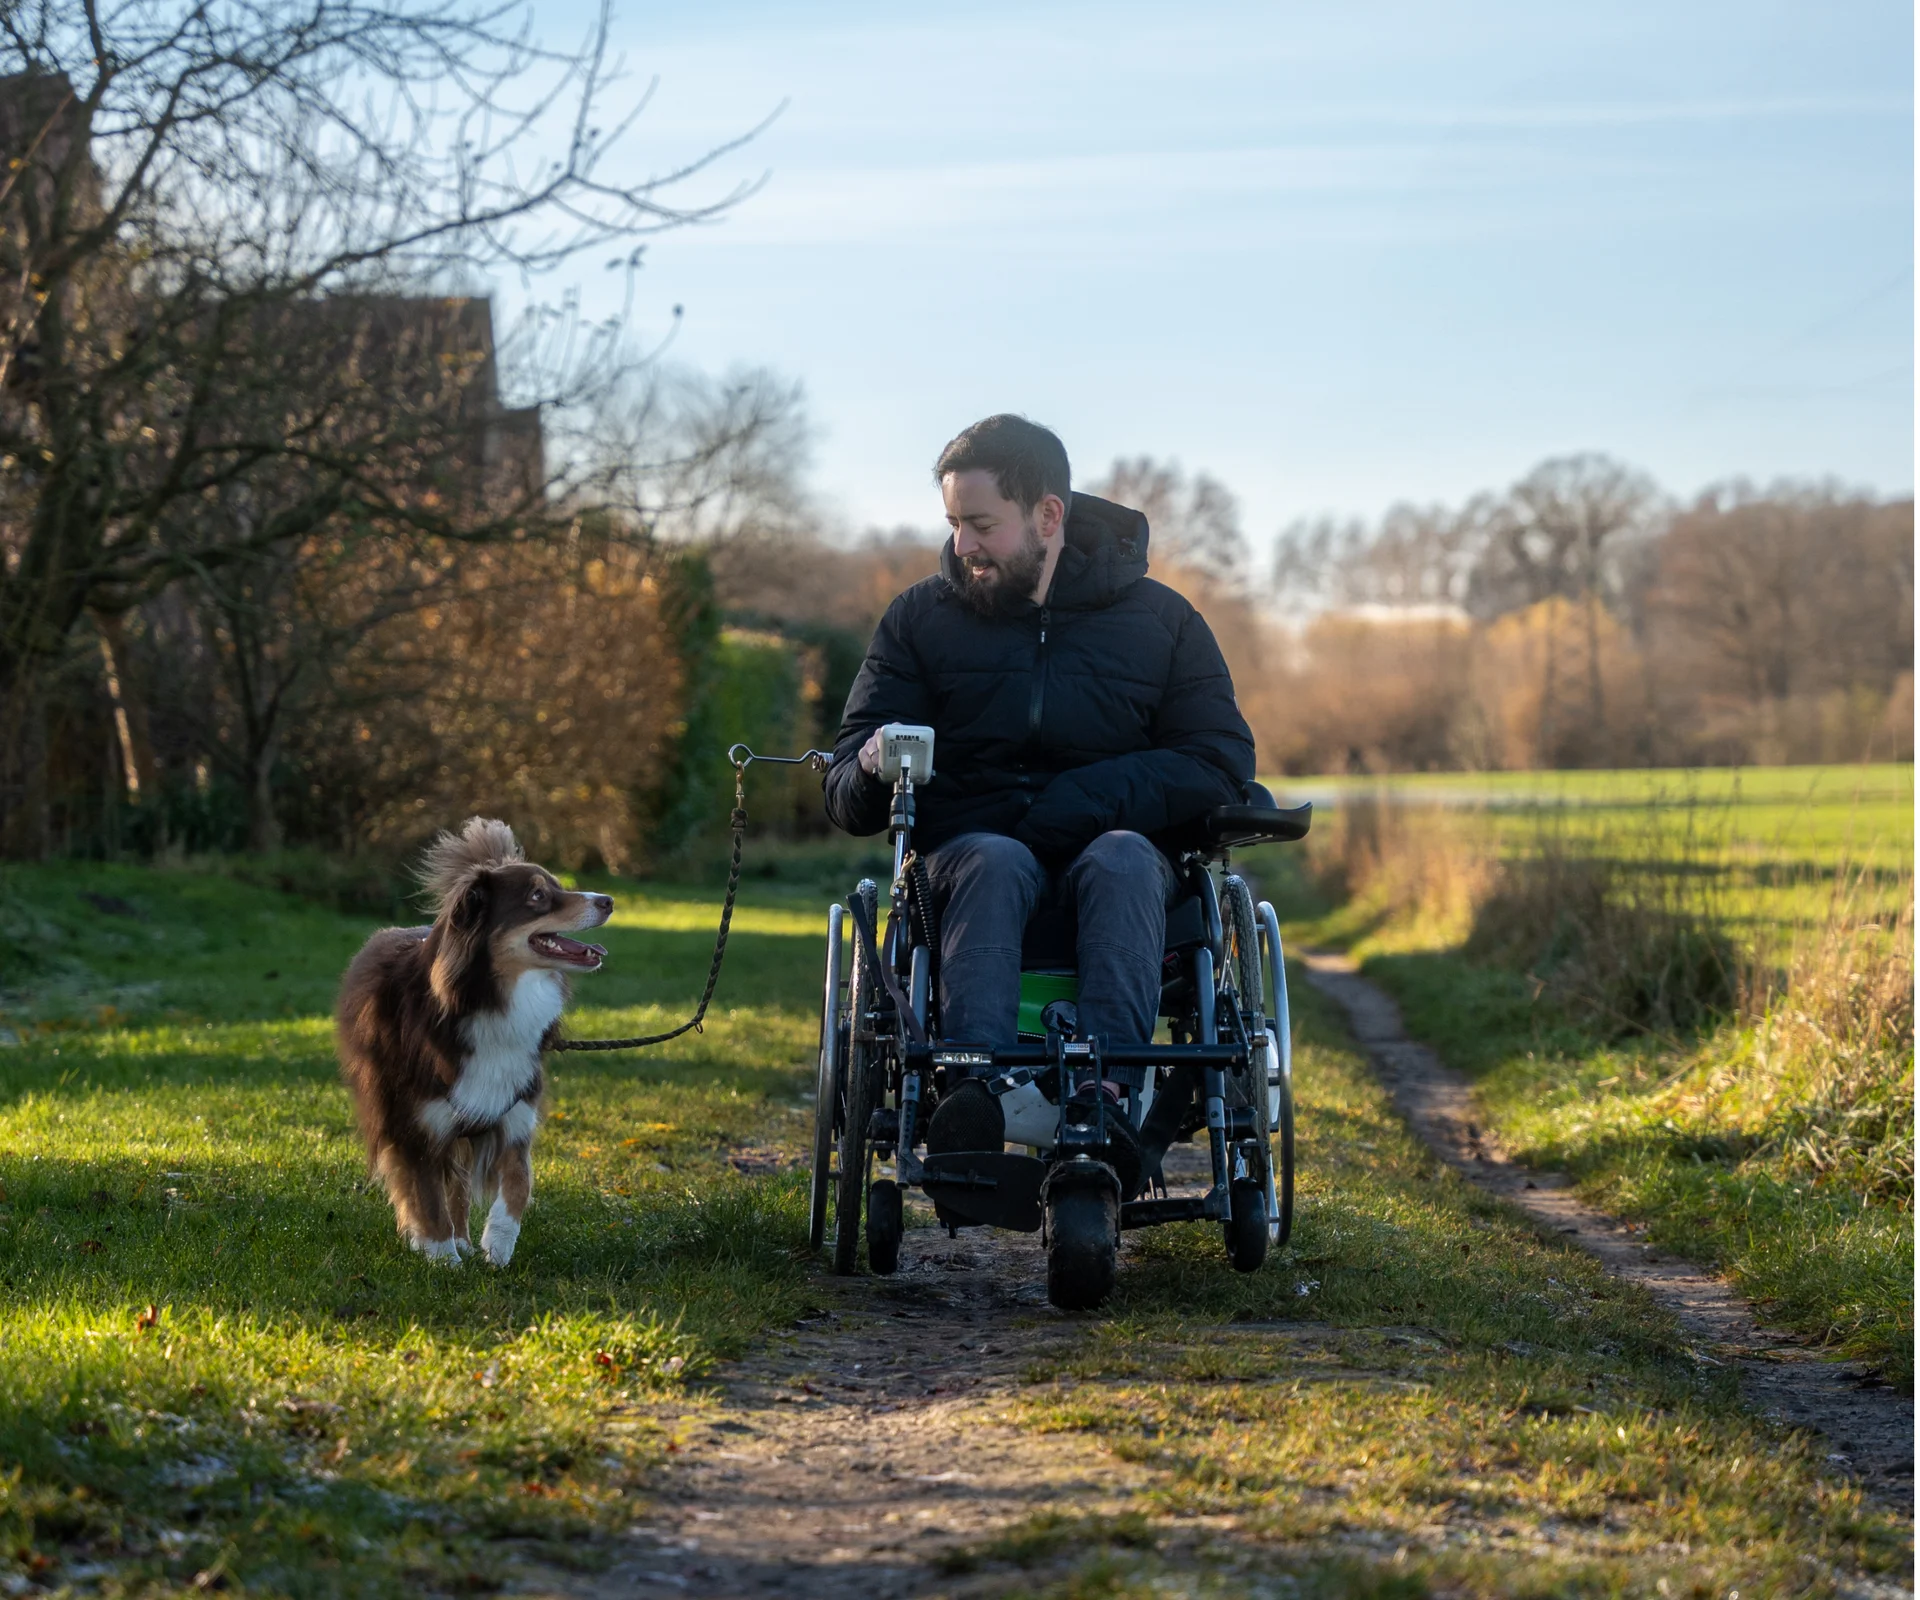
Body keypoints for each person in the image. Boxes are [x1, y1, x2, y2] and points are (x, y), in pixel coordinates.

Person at [822, 414, 1254, 1189]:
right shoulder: (919, 621)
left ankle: (1107, 1096)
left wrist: (1089, 799)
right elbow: (845, 795)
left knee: (1121, 856)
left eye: (981, 525)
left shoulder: (1163, 624)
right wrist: (869, 761)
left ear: (1048, 516)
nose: (962, 547)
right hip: (967, 866)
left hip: (1122, 862)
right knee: (995, 856)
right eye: (954, 524)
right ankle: (971, 1092)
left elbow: (1220, 762)